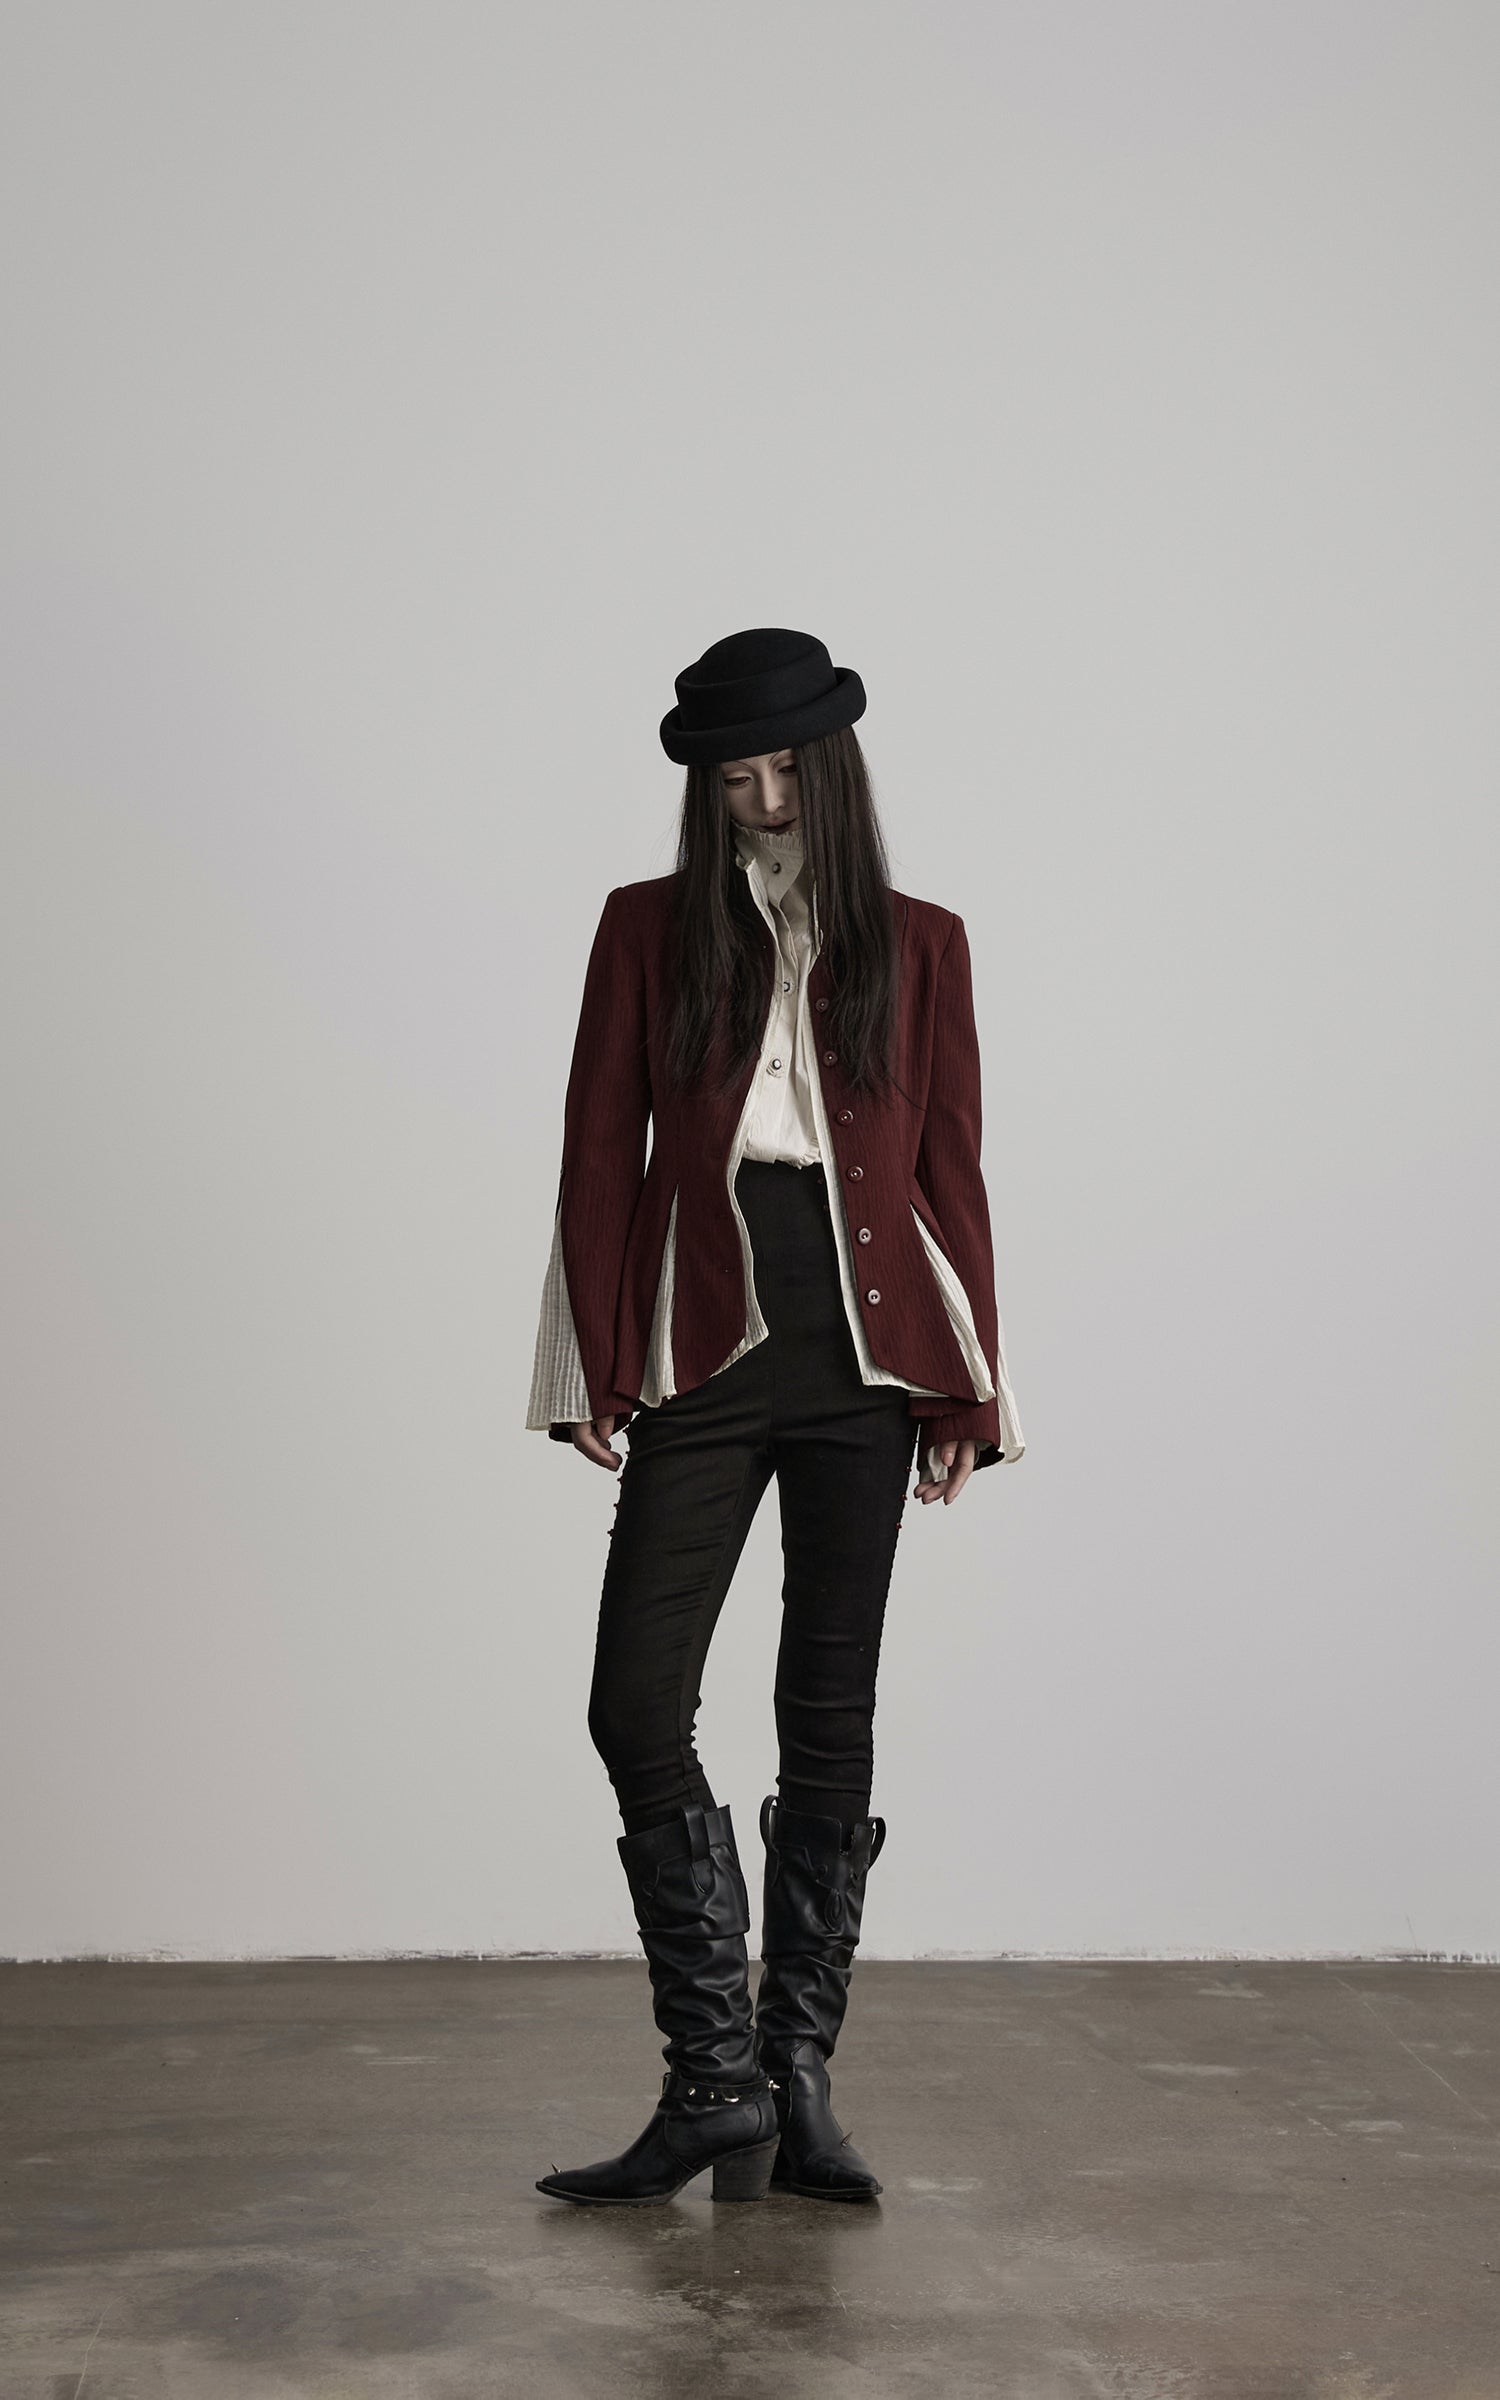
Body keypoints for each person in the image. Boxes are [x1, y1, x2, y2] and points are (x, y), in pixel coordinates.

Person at [526, 626, 1025, 2206]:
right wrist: (592, 1362)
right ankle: (713, 2081)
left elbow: (951, 1175)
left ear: (830, 767)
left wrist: (972, 1388)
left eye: (781, 772)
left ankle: (793, 2074)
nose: (758, 800)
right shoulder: (648, 928)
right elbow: (598, 1150)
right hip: (706, 1331)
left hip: (868, 1351)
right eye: (733, 778)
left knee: (829, 1708)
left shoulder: (922, 944)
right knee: (635, 1701)